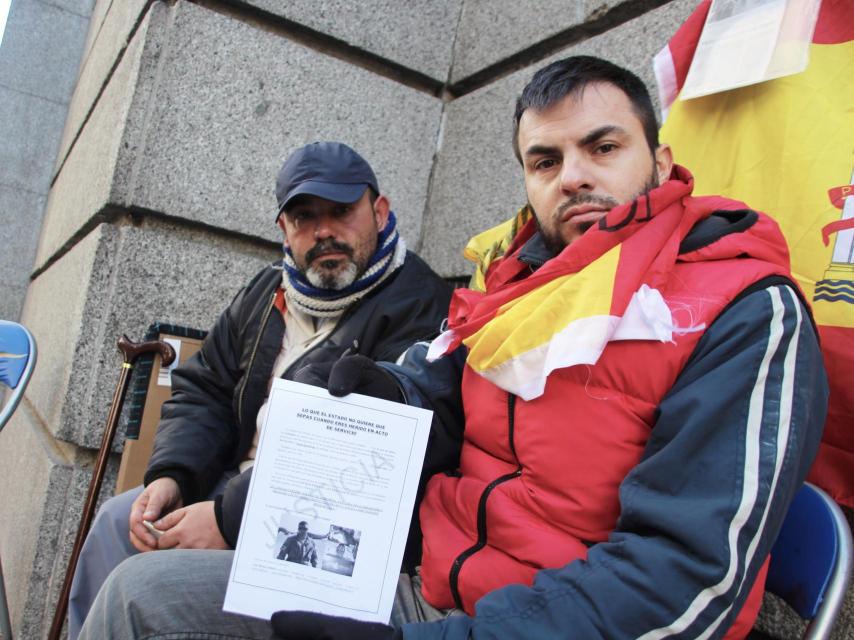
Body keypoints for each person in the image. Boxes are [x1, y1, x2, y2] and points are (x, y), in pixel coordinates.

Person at [79, 57, 828, 640]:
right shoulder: (516, 285)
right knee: (139, 598)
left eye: (603, 147)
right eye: (545, 161)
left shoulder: (743, 309)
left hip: (534, 619)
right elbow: (427, 388)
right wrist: (386, 395)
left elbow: (684, 580)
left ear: (660, 163)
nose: (574, 177)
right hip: (422, 581)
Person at [68, 141, 452, 639]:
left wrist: (232, 520)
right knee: (118, 523)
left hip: (317, 518)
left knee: (139, 588)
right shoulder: (266, 290)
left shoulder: (420, 303)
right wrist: (174, 474)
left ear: (379, 211)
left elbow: (363, 457)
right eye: (304, 217)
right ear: (283, 230)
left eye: (341, 211)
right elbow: (205, 388)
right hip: (231, 487)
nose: (324, 231)